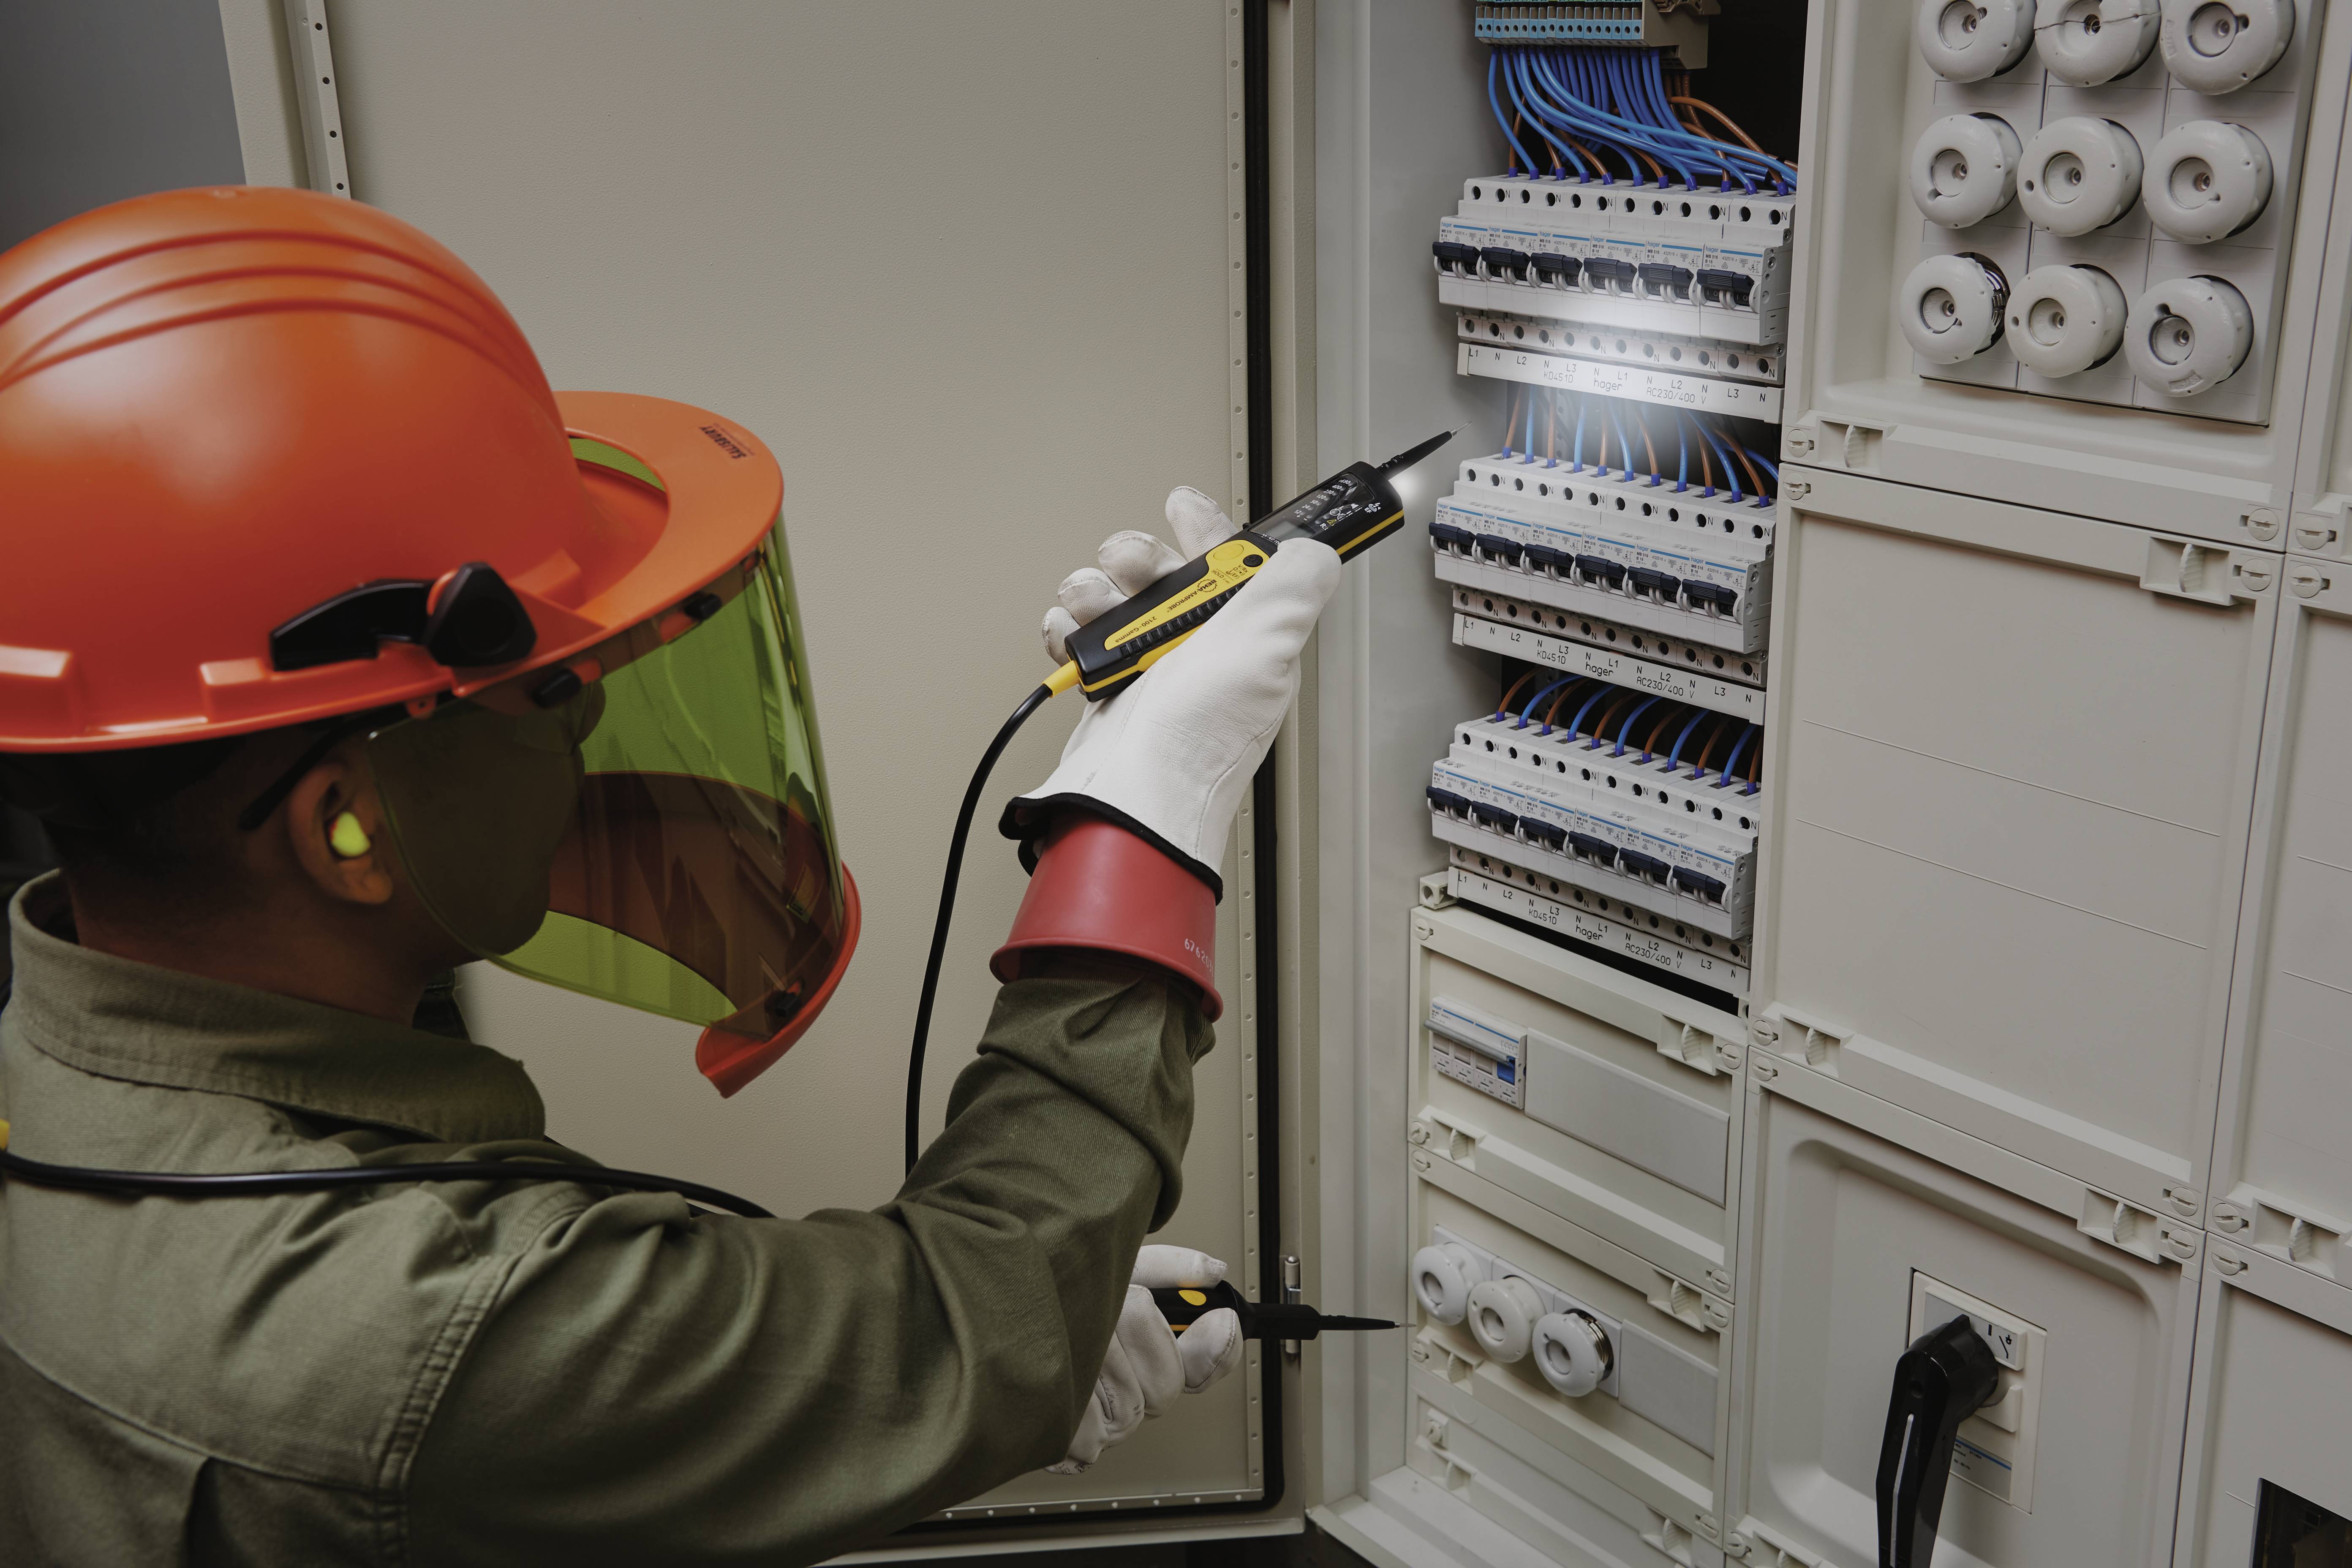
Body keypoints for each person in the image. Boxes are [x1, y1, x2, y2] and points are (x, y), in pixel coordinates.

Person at [0, 186, 1339, 1565]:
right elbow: (467, 1370)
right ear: (346, 825)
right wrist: (1143, 806)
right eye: (543, 693)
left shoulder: (55, 1089)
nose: (586, 722)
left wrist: (983, 1353)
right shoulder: (410, 1331)